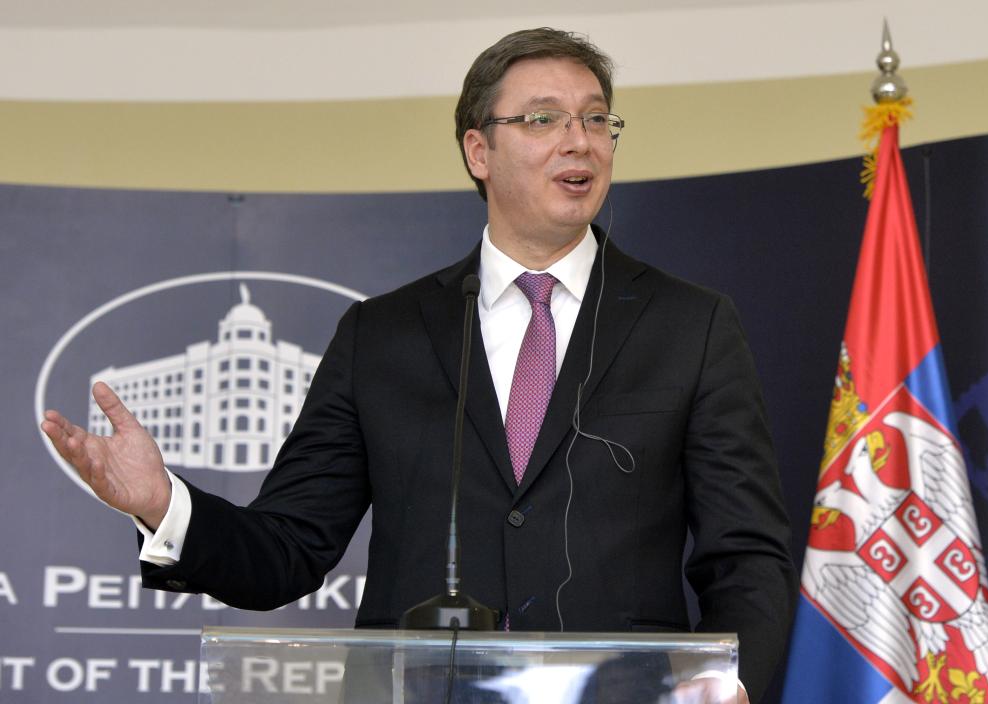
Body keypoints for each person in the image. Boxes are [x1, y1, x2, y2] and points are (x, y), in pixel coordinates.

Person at [41, 28, 795, 702]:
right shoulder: (383, 335)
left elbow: (746, 556)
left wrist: (728, 684)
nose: (580, 141)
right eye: (544, 120)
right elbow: (287, 549)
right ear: (478, 151)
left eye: (596, 119)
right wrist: (163, 503)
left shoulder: (690, 325)